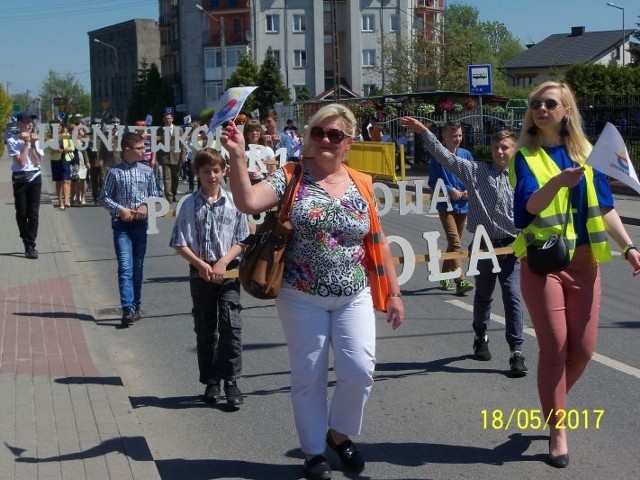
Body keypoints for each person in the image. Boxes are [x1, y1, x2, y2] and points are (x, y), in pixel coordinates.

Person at [220, 103, 404, 480]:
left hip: (354, 295)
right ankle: (314, 453)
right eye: (319, 132)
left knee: (359, 370)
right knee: (309, 376)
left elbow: (377, 239)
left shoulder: (361, 182)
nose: (325, 140)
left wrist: (394, 293)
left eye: (334, 134)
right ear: (309, 136)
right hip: (301, 296)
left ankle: (338, 434)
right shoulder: (291, 175)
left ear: (348, 142)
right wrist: (237, 155)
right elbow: (247, 202)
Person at [509, 81, 640, 468]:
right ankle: (558, 428)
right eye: (535, 103)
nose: (540, 109)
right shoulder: (524, 156)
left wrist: (629, 247)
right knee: (555, 348)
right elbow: (526, 210)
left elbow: (605, 207)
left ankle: (554, 401)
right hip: (543, 264)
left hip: (585, 263)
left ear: (567, 110)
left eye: (549, 103)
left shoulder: (587, 154)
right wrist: (556, 183)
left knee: (583, 350)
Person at [401, 118, 527, 377]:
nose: (500, 152)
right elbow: (445, 158)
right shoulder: (477, 171)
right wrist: (424, 132)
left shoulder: (523, 178)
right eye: (496, 149)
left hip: (511, 247)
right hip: (484, 246)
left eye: (505, 148)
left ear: (515, 150)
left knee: (512, 296)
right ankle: (480, 336)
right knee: (483, 295)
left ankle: (516, 351)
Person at [170, 148, 250, 409]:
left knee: (230, 325)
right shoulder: (189, 204)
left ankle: (231, 381)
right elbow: (180, 242)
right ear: (197, 173)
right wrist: (202, 265)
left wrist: (223, 262)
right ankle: (211, 381)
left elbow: (243, 239)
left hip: (228, 272)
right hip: (201, 272)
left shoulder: (234, 202)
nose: (212, 176)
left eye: (216, 170)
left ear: (224, 171)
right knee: (205, 328)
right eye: (206, 172)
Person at [99, 132, 159, 328]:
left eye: (144, 148)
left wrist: (146, 206)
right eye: (140, 148)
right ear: (127, 149)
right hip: (122, 225)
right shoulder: (114, 172)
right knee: (125, 266)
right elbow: (104, 197)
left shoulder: (147, 171)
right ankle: (127, 308)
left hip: (140, 224)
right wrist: (120, 209)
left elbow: (155, 195)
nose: (144, 151)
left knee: (138, 266)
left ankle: (136, 304)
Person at [427, 121, 474, 296]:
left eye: (460, 135)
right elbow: (432, 182)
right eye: (454, 136)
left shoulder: (466, 155)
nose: (458, 139)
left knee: (453, 243)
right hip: (445, 205)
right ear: (444, 137)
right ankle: (460, 278)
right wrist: (449, 190)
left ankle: (444, 274)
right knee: (455, 242)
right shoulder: (438, 157)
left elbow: (473, 176)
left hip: (463, 204)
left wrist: (468, 189)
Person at [7, 113, 42, 259]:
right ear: (19, 124)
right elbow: (21, 162)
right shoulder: (12, 140)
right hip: (20, 179)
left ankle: (30, 245)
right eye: (26, 122)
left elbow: (37, 161)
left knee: (33, 213)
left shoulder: (36, 140)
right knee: (22, 213)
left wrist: (33, 145)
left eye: (31, 122)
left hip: (34, 177)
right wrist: (26, 144)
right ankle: (25, 238)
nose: (29, 125)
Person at [156, 112, 187, 202]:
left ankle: (173, 194)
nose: (168, 120)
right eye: (166, 118)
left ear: (172, 119)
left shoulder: (179, 129)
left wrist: (183, 156)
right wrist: (158, 158)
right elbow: (157, 144)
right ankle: (169, 197)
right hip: (164, 157)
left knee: (176, 178)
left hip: (176, 157)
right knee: (167, 178)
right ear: (163, 119)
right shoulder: (160, 130)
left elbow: (183, 144)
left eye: (169, 118)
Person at [47, 122, 74, 210]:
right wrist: (53, 149)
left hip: (65, 159)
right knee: (59, 181)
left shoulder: (66, 135)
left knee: (66, 180)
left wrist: (66, 149)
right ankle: (60, 201)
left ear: (62, 127)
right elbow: (46, 151)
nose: (58, 128)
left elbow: (72, 147)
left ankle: (66, 200)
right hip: (55, 160)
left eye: (59, 126)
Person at [70, 125, 90, 206]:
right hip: (74, 161)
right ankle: (75, 198)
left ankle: (83, 197)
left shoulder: (82, 139)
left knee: (83, 180)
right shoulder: (70, 139)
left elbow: (85, 151)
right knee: (75, 180)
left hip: (82, 160)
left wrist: (87, 162)